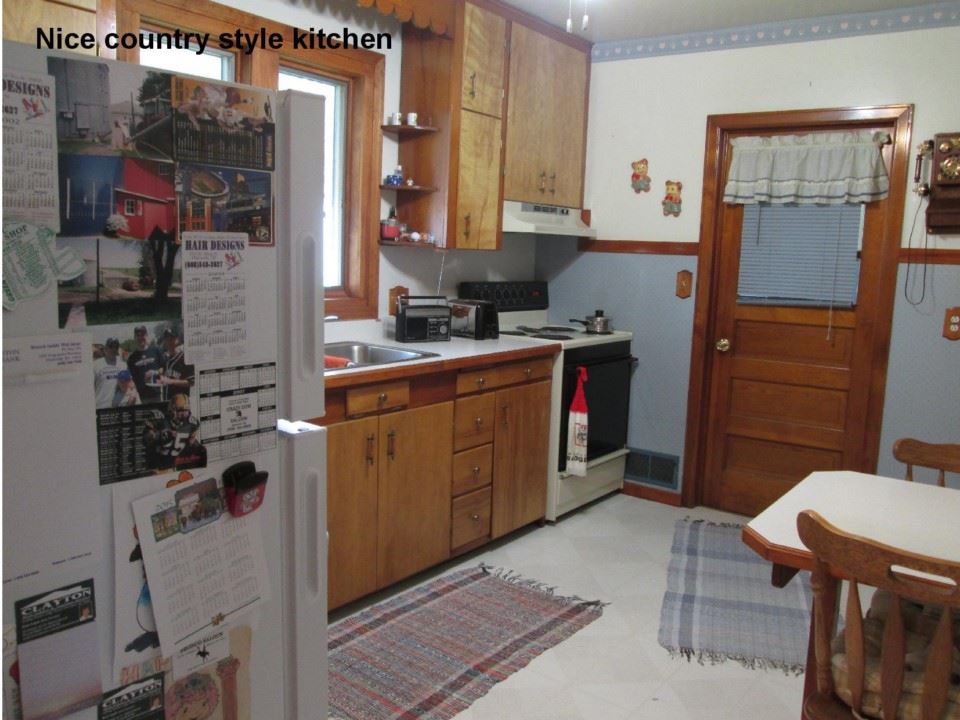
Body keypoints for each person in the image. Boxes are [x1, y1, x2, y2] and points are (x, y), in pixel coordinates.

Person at [143, 393, 204, 471]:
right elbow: (146, 438)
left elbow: (192, 442)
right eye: (181, 410)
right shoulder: (161, 420)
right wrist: (159, 435)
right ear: (172, 410)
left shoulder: (192, 424)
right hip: (158, 467)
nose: (184, 413)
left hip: (176, 466)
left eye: (186, 410)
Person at [127, 325, 164, 403]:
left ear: (147, 335)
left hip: (157, 394)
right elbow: (132, 378)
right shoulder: (132, 358)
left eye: (143, 335)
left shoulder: (156, 350)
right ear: (134, 337)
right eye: (138, 335)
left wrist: (155, 372)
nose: (140, 337)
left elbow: (164, 368)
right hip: (142, 397)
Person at [159, 328, 194, 394]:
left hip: (180, 398)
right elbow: (163, 375)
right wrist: (156, 373)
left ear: (178, 339)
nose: (169, 341)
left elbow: (191, 382)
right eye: (167, 339)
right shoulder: (165, 358)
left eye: (172, 338)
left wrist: (171, 381)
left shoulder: (185, 358)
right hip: (167, 398)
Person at [93, 337, 124, 409]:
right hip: (100, 406)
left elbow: (128, 385)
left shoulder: (123, 365)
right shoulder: (96, 364)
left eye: (116, 347)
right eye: (111, 346)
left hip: (118, 406)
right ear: (105, 349)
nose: (113, 349)